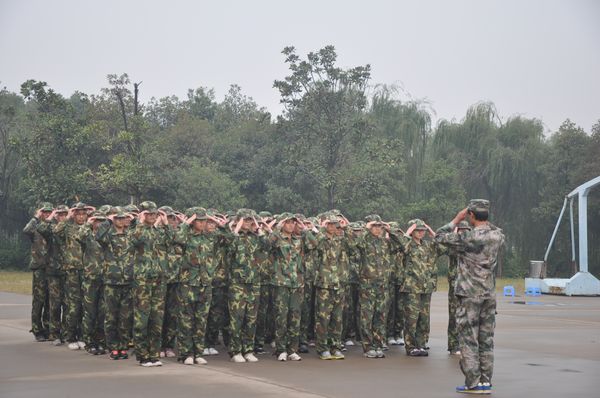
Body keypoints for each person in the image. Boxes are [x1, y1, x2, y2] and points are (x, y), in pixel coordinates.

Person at [436, 200, 505, 395]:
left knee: (468, 338)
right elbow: (494, 227)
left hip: (469, 294)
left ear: (471, 216)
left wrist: (457, 219)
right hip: (488, 294)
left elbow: (439, 236)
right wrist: (482, 215)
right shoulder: (497, 236)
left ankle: (472, 382)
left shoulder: (467, 238)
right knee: (486, 339)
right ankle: (485, 381)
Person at [129, 201, 168, 367]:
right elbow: (134, 240)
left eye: (154, 214)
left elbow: (173, 239)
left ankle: (154, 354)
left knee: (157, 319)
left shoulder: (158, 232)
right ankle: (143, 355)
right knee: (142, 319)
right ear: (142, 215)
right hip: (143, 280)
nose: (152, 217)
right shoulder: (137, 230)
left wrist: (165, 224)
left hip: (159, 279)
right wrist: (139, 222)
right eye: (148, 214)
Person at [400, 219, 446, 357]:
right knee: (411, 318)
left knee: (424, 318)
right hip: (412, 287)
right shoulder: (408, 244)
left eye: (422, 231)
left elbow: (443, 247)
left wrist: (432, 232)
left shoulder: (428, 245)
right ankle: (410, 346)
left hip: (426, 287)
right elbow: (401, 246)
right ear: (412, 232)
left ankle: (421, 344)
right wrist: (408, 232)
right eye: (418, 230)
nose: (421, 233)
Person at [97, 208, 134, 360]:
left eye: (122, 218)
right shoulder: (108, 235)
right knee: (111, 316)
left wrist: (134, 218)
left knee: (125, 317)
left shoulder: (131, 235)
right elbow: (99, 237)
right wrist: (107, 221)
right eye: (117, 218)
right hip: (112, 281)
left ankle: (123, 346)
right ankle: (113, 347)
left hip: (128, 280)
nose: (120, 221)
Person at [268, 213, 304, 361]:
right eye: (287, 223)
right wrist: (277, 227)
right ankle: (281, 349)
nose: (291, 225)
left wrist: (304, 228)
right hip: (281, 282)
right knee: (281, 317)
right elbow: (267, 243)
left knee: (295, 317)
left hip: (296, 283)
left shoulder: (298, 240)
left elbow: (314, 245)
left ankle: (292, 349)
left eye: (292, 223)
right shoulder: (277, 239)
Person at [23, 202, 53, 342]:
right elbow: (26, 230)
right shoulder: (34, 228)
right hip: (39, 268)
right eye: (44, 212)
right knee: (39, 300)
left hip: (52, 268)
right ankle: (37, 329)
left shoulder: (53, 228)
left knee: (49, 300)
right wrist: (36, 216)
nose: (47, 214)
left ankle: (47, 328)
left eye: (49, 212)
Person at [446, 221, 472, 355]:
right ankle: (453, 345)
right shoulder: (453, 246)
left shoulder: (471, 246)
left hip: (468, 285)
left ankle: (464, 344)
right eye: (460, 230)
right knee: (454, 315)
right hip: (455, 285)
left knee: (467, 317)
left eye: (465, 230)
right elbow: (449, 250)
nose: (463, 232)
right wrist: (454, 235)